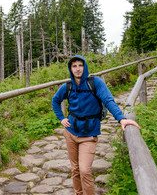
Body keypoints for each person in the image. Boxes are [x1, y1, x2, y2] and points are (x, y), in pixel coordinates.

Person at [52, 55, 140, 195]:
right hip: (70, 132)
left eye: (80, 65)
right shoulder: (67, 86)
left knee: (85, 170)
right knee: (75, 169)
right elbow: (55, 100)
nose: (78, 69)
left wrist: (121, 118)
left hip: (89, 134)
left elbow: (108, 100)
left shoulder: (95, 83)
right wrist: (61, 118)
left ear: (85, 66)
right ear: (70, 68)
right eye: (74, 66)